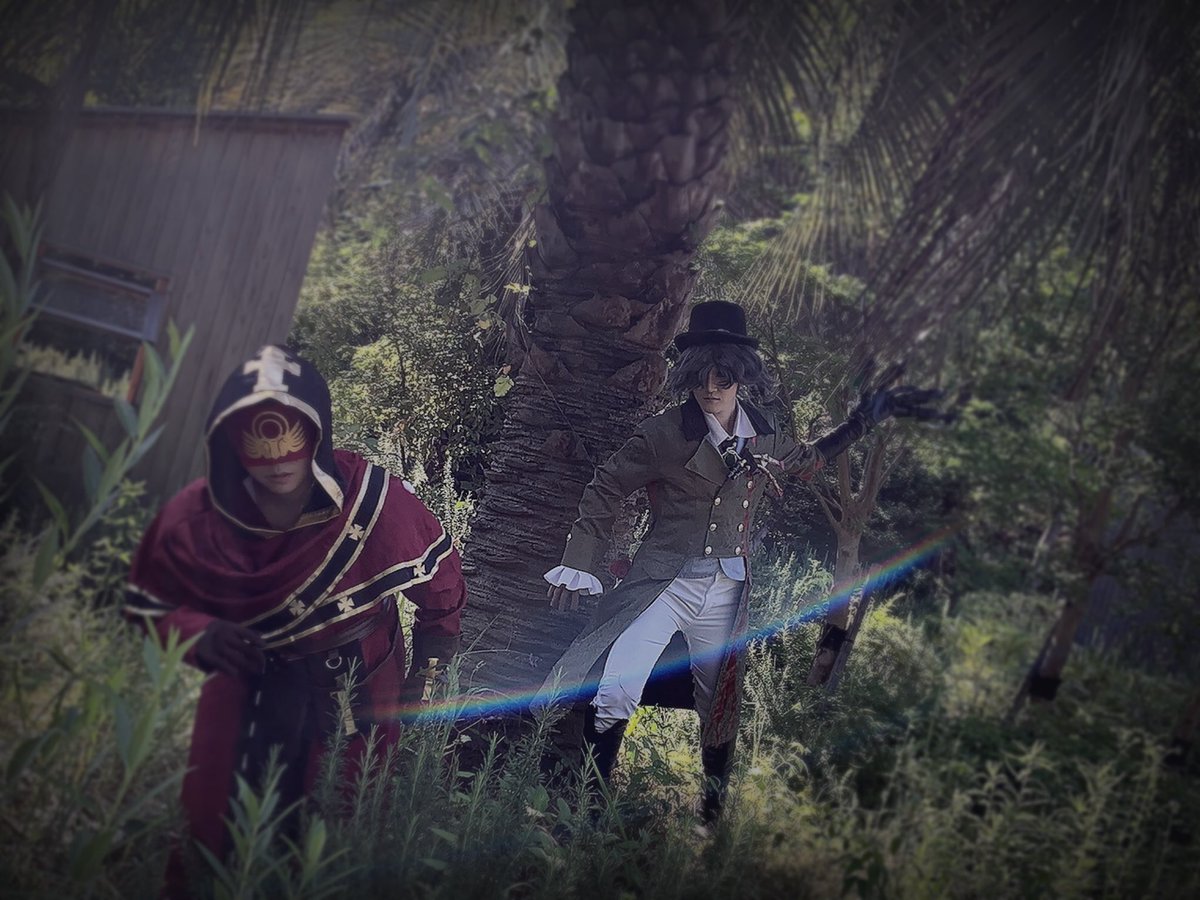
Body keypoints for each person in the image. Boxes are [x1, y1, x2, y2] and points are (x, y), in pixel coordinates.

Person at [538, 301, 940, 822]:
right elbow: (605, 486)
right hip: (663, 584)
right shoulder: (664, 434)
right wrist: (580, 561)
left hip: (727, 591)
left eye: (723, 377)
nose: (710, 388)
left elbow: (809, 461)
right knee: (617, 685)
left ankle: (711, 815)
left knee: (719, 702)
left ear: (741, 375)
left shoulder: (764, 432)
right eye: (700, 376)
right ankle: (589, 806)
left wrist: (862, 421)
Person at [123, 344, 466, 879]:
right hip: (241, 690)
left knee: (334, 846)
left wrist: (424, 681)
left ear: (317, 432)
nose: (278, 460)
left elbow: (441, 587)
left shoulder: (371, 499)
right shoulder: (202, 511)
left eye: (292, 438)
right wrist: (198, 633)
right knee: (215, 838)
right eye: (256, 441)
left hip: (353, 693)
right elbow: (149, 603)